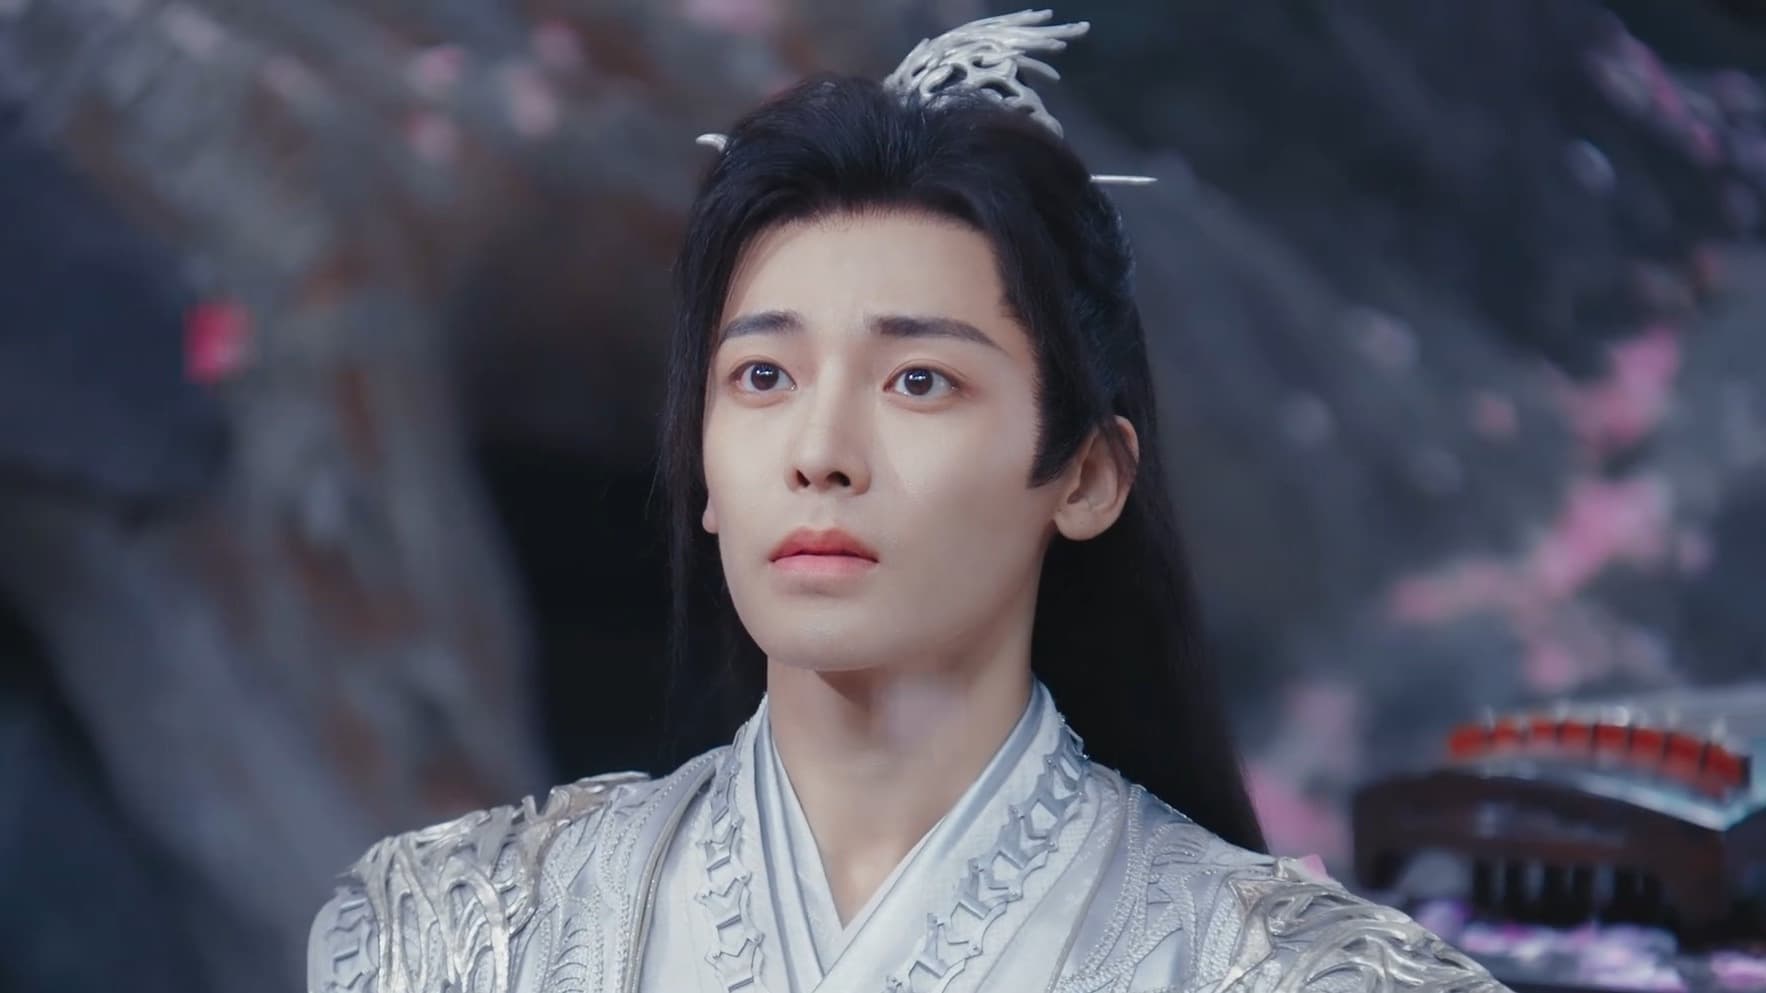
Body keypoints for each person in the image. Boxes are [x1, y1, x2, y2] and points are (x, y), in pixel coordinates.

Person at [307, 12, 1509, 993]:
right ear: (704, 470)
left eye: (918, 381)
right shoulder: (455, 937)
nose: (820, 453)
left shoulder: (1295, 975)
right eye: (762, 378)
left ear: (1086, 476)